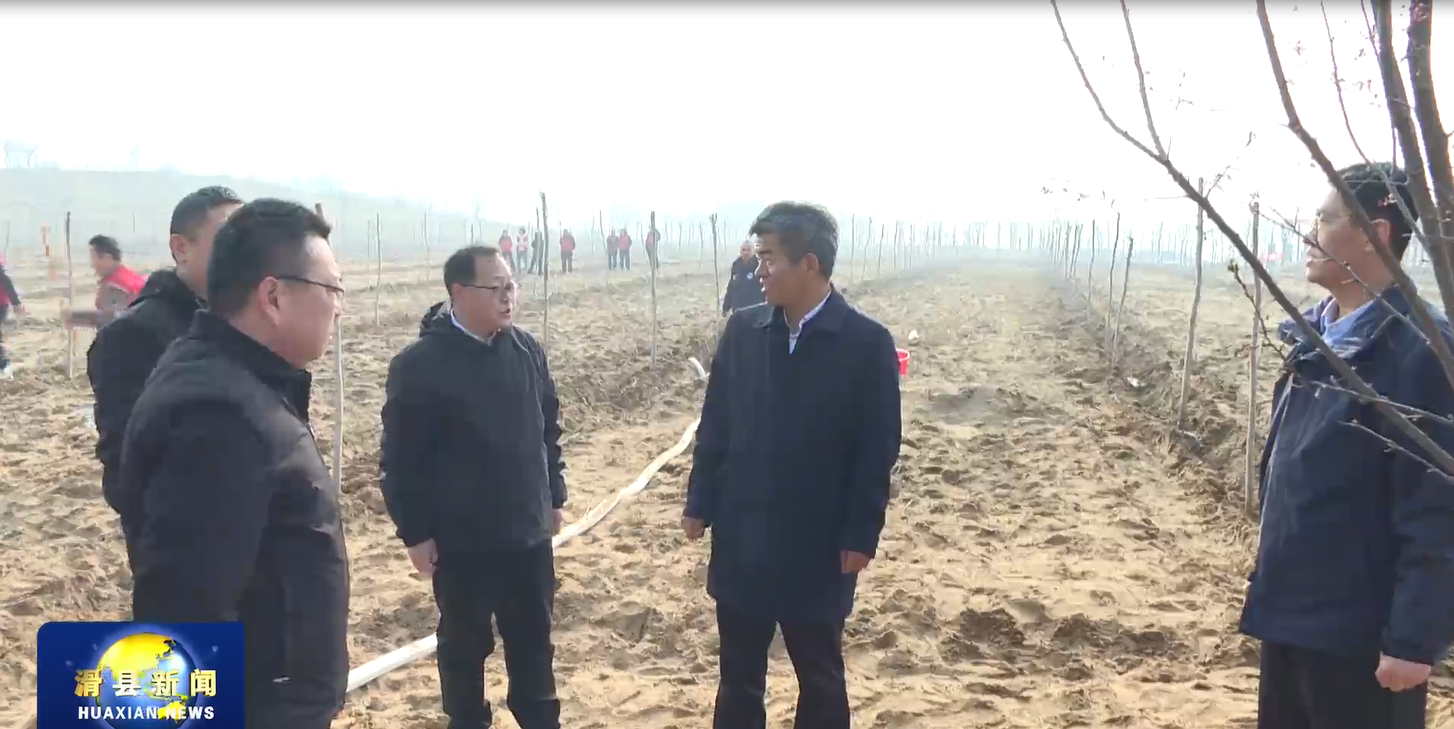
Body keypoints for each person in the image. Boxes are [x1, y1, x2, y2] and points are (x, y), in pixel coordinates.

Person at [121, 198, 349, 729]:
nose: (338, 309)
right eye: (332, 290)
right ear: (273, 296)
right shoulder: (220, 415)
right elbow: (186, 612)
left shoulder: (241, 381)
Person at [1242, 162, 1454, 729]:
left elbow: (1437, 506)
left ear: (1373, 234)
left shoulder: (1419, 352)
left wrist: (1413, 639)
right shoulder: (1316, 338)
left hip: (1362, 638)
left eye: (1324, 219)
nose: (1308, 236)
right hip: (1293, 615)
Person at [683, 201, 902, 729]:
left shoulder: (865, 344)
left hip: (819, 543)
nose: (758, 270)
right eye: (758, 258)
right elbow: (716, 424)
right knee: (739, 676)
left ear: (809, 264)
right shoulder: (744, 332)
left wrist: (861, 533)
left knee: (820, 675)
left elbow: (876, 449)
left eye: (769, 258)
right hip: (743, 536)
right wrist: (699, 501)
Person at [380, 245, 566, 729]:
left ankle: (539, 717)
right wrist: (415, 532)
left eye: (512, 286)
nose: (508, 297)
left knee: (533, 641)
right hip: (461, 541)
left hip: (527, 533)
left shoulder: (526, 351)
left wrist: (554, 496)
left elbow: (548, 428)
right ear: (459, 293)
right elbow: (401, 458)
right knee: (464, 646)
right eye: (496, 288)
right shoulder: (419, 365)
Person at [88, 186, 243, 567]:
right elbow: (126, 461)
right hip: (184, 547)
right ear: (181, 248)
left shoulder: (245, 322)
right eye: (228, 238)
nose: (244, 251)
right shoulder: (133, 335)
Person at [63, 235, 147, 330]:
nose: (92, 265)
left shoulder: (115, 286)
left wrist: (74, 317)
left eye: (93, 258)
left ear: (107, 258)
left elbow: (113, 321)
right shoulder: (130, 278)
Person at [722, 239, 766, 316]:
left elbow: (764, 287)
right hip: (738, 308)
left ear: (753, 251)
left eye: (748, 250)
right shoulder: (736, 264)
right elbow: (731, 286)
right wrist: (726, 307)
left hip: (754, 308)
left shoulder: (758, 265)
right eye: (743, 250)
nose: (745, 252)